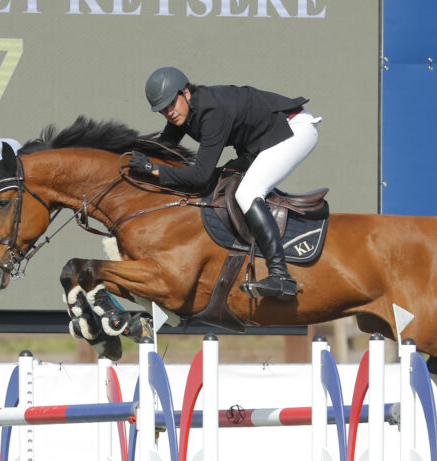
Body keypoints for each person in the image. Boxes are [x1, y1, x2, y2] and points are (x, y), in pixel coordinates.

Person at [128, 66, 321, 300]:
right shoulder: (187, 111)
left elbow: (199, 175)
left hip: (293, 130)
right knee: (227, 178)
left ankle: (281, 277)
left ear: (186, 93)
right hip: (265, 140)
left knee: (248, 192)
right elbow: (163, 149)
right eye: (162, 110)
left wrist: (151, 168)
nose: (169, 113)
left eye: (171, 104)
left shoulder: (212, 112)